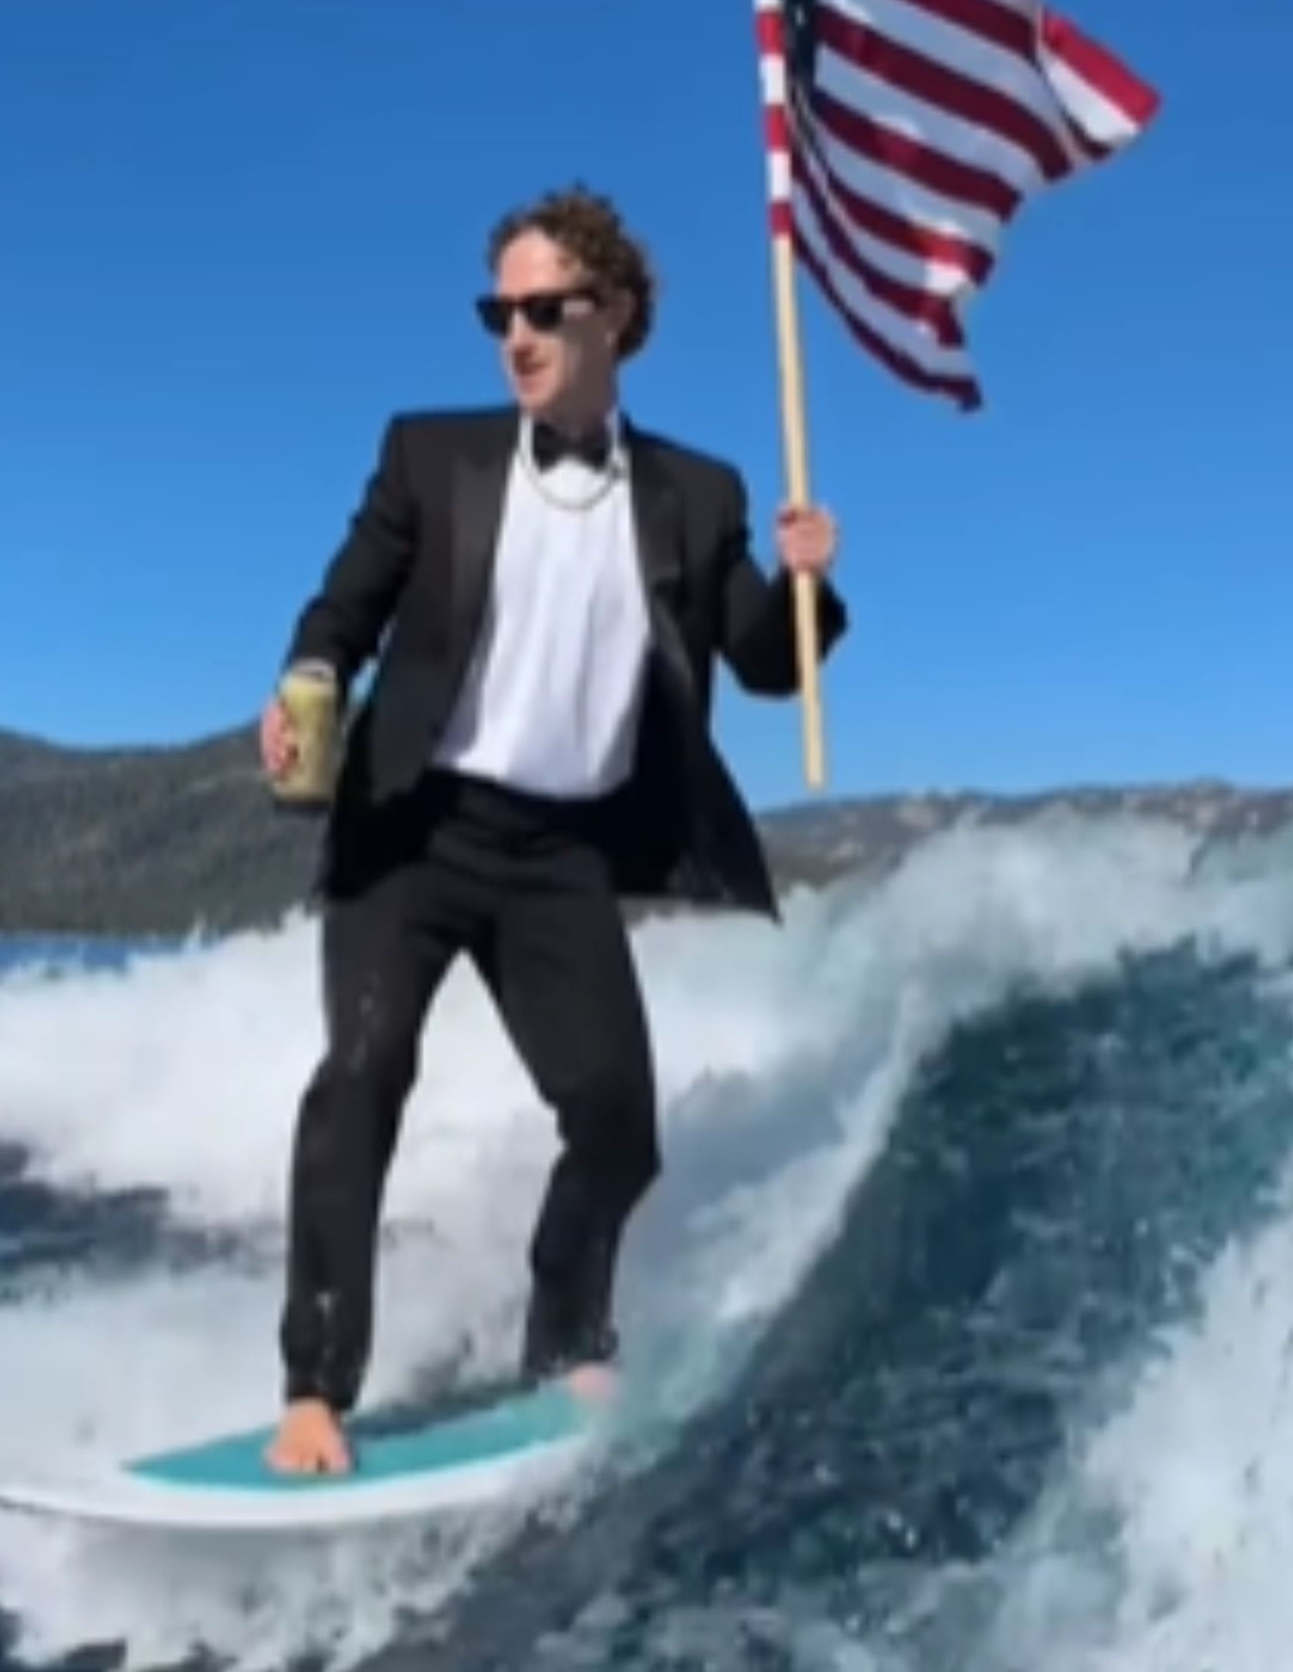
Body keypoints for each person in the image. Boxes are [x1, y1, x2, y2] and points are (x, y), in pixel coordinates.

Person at [254, 185, 848, 1476]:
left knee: (620, 1125)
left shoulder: (697, 494)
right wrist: (308, 678)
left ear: (617, 317)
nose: (514, 336)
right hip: (411, 829)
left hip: (560, 857)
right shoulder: (432, 456)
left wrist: (809, 581)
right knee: (361, 1078)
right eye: (498, 313)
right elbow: (345, 603)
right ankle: (316, 1387)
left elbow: (760, 660)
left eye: (543, 310)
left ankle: (561, 1339)